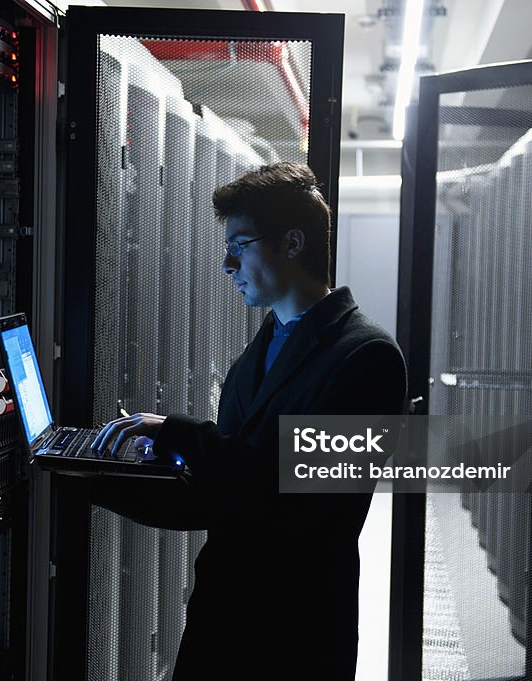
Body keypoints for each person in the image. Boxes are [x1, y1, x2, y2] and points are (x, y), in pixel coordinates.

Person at [90, 162, 407, 679]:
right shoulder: (256, 354)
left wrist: (179, 432)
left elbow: (288, 490)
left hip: (295, 634)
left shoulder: (367, 358)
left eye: (239, 244)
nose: (226, 263)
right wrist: (92, 478)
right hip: (222, 621)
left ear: (292, 244)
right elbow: (217, 496)